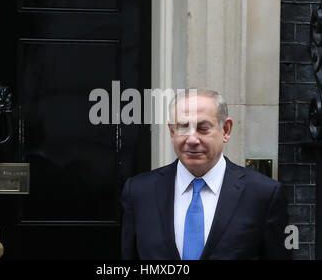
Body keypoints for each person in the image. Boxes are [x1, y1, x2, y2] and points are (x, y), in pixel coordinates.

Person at [121, 88, 291, 260]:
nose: (192, 139)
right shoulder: (139, 192)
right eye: (183, 127)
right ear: (172, 131)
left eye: (203, 128)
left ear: (226, 130)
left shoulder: (263, 194)